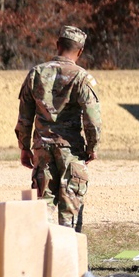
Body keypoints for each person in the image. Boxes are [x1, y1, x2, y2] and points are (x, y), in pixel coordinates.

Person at [15, 26, 101, 232]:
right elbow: (92, 118)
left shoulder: (36, 73)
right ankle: (68, 259)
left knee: (43, 207)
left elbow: (24, 116)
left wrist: (24, 147)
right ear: (80, 51)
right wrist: (92, 146)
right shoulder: (82, 78)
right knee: (70, 208)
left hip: (42, 149)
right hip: (70, 150)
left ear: (58, 45)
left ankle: (42, 258)